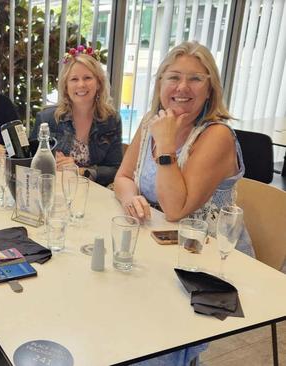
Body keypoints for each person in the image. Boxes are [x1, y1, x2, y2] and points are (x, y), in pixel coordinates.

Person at [114, 41, 254, 364]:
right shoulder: (152, 121)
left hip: (212, 258)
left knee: (148, 334)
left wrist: (165, 146)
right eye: (173, 77)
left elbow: (177, 208)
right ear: (160, 83)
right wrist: (130, 197)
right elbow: (122, 177)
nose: (182, 88)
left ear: (210, 89)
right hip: (163, 243)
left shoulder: (216, 135)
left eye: (195, 79)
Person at [32, 47, 122, 186]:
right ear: (66, 86)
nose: (81, 84)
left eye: (87, 78)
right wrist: (48, 162)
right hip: (55, 192)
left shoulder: (111, 120)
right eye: (74, 79)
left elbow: (116, 170)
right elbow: (28, 163)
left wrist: (80, 171)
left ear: (98, 83)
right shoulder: (47, 119)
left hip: (93, 195)